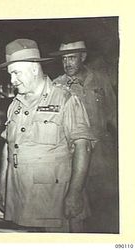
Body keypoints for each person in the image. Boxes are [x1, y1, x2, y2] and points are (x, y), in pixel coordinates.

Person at [0, 39, 96, 232]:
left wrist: (75, 193)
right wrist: (2, 186)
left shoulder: (65, 99)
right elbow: (8, 147)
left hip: (54, 197)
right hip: (22, 196)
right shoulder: (14, 105)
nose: (12, 81)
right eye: (10, 75)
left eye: (16, 73)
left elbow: (84, 147)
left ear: (34, 68)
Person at [50, 38, 118, 231]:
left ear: (83, 57)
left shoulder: (100, 79)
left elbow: (113, 114)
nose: (67, 63)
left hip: (103, 157)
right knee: (77, 208)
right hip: (74, 158)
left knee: (107, 207)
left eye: (71, 57)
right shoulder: (56, 86)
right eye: (63, 58)